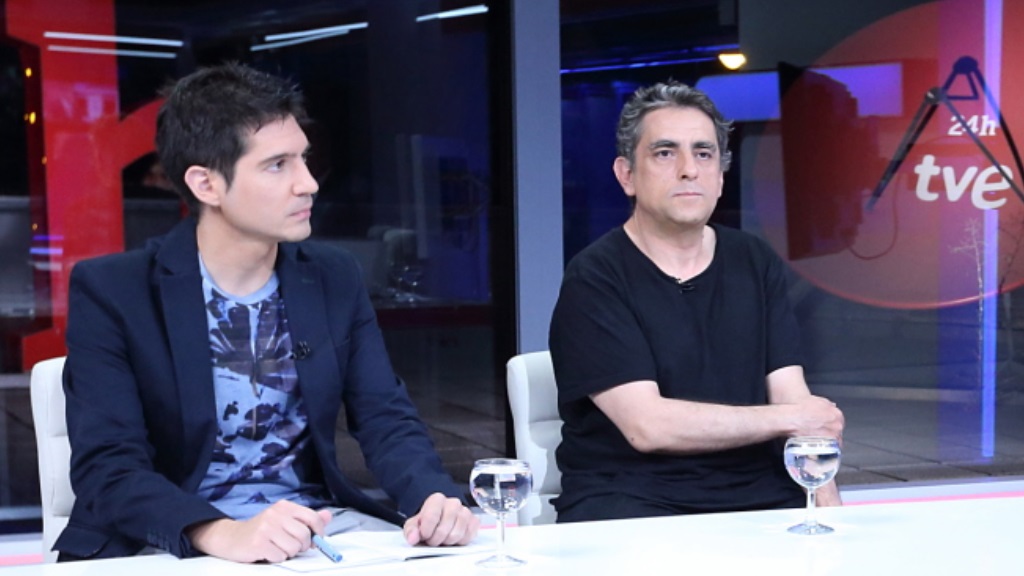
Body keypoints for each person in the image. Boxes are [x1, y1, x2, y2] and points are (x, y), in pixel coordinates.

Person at [56, 63, 479, 563]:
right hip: (169, 537)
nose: (308, 183)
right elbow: (108, 466)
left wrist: (432, 497)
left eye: (304, 159)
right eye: (278, 165)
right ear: (206, 185)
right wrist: (218, 532)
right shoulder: (114, 290)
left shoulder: (333, 276)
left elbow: (385, 416)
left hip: (312, 531)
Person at [548, 81, 845, 523]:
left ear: (721, 177)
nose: (689, 169)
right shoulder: (595, 276)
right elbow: (648, 426)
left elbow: (791, 395)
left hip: (761, 493)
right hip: (632, 501)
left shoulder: (754, 260)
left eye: (704, 154)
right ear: (626, 175)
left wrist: (830, 508)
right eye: (665, 153)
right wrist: (791, 419)